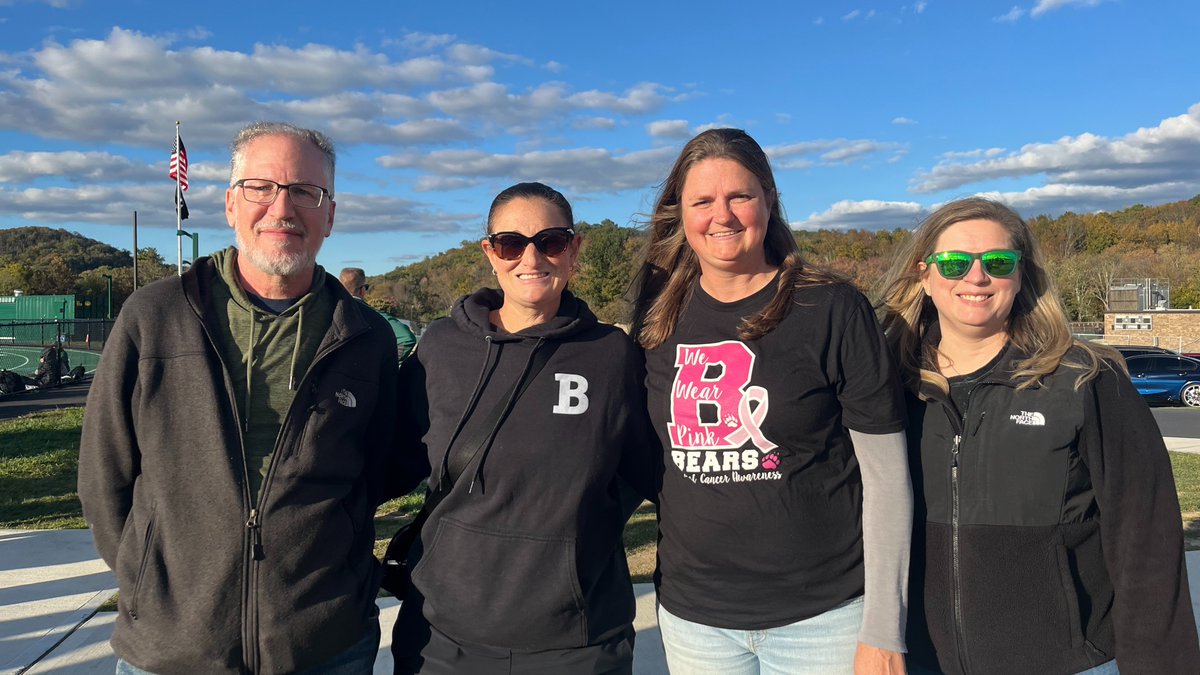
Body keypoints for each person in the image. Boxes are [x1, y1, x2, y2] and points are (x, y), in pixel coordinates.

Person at [78, 121, 401, 674]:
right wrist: (147, 578)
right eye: (261, 187)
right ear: (230, 204)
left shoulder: (365, 335)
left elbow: (381, 470)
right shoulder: (153, 316)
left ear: (330, 214)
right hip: (173, 646)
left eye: (305, 191)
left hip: (325, 645)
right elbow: (104, 473)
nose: (282, 207)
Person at [877, 197, 1200, 674]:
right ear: (924, 275)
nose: (976, 276)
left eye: (998, 262)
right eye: (954, 263)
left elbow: (1145, 538)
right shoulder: (883, 387)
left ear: (1021, 275)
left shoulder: (1084, 380)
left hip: (1067, 662)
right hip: (922, 661)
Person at [631, 128, 913, 675]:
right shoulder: (657, 317)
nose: (723, 215)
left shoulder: (831, 308)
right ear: (679, 213)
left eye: (740, 196)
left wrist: (883, 627)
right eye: (702, 201)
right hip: (696, 620)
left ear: (769, 201)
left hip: (823, 617)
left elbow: (886, 480)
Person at [390, 181, 657, 674]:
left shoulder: (611, 357)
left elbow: (655, 473)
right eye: (512, 243)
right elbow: (387, 462)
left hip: (578, 642)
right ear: (490, 253)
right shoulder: (442, 349)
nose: (531, 258)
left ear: (575, 250)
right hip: (442, 639)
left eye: (550, 241)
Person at [340, 267, 417, 362]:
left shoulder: (326, 311)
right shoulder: (375, 315)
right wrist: (383, 365)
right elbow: (406, 338)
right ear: (362, 290)